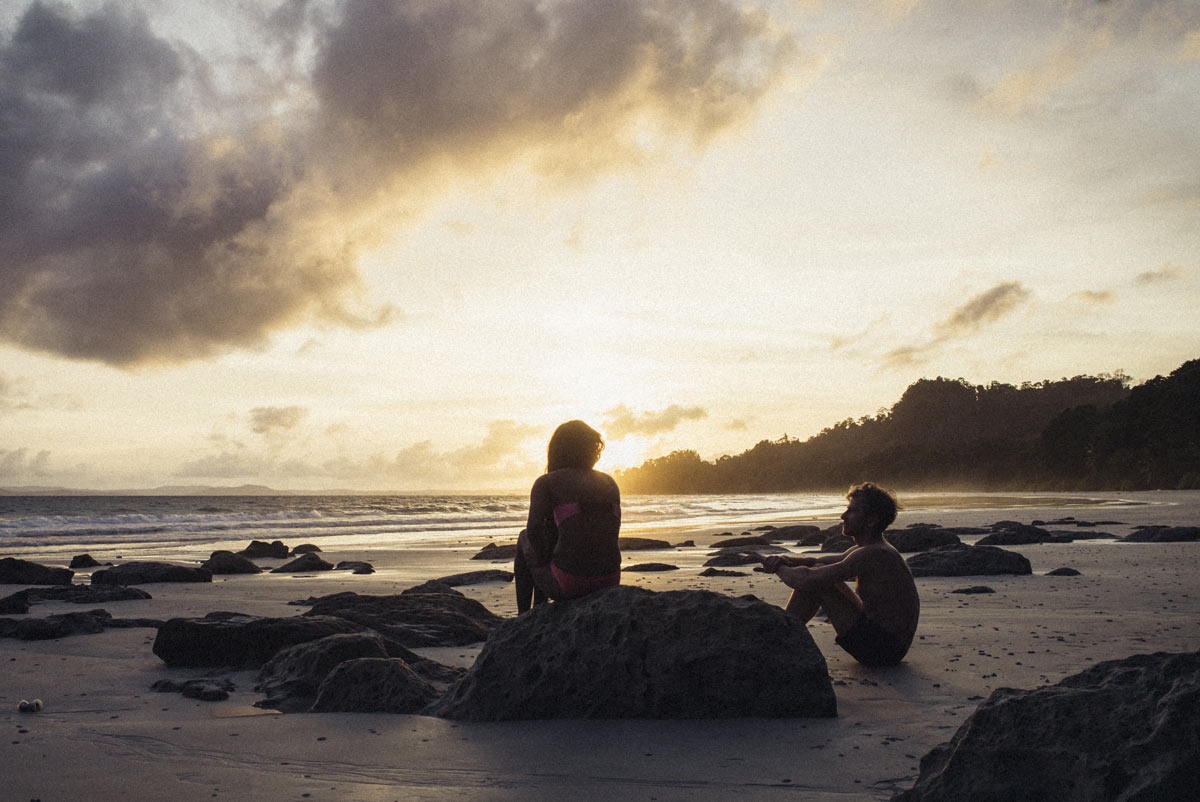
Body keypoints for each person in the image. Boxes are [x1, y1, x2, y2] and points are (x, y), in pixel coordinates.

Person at [757, 482, 919, 666]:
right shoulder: (870, 548)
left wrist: (777, 568)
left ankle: (779, 638)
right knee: (820, 571)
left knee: (818, 582)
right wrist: (786, 559)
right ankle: (782, 636)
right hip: (886, 644)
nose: (843, 516)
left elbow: (807, 579)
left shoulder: (874, 553)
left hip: (882, 650)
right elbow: (821, 562)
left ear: (871, 520)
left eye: (852, 511)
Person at [514, 420, 622, 613]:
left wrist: (545, 561)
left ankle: (524, 616)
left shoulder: (547, 483)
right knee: (548, 540)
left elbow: (534, 530)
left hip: (571, 583)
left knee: (525, 538)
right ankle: (539, 609)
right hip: (610, 579)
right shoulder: (609, 482)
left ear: (557, 449)